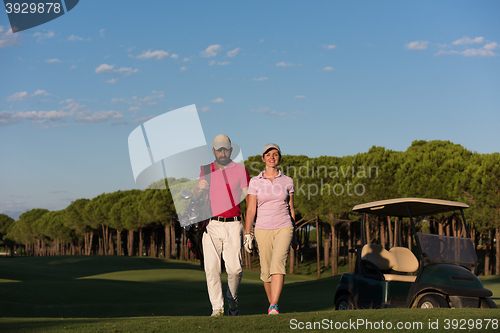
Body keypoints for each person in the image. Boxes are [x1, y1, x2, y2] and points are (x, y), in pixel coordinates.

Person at [194, 134, 250, 317]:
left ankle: (232, 300)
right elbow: (197, 197)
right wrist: (198, 190)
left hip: (234, 224)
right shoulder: (205, 170)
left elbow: (249, 199)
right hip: (211, 224)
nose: (222, 152)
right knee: (212, 269)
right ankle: (217, 308)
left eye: (225, 149)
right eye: (219, 149)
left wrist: (251, 227)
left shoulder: (240, 170)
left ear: (231, 150)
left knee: (235, 269)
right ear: (213, 151)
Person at [244, 143, 297, 315]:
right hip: (262, 228)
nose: (272, 157)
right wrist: (247, 233)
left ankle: (274, 305)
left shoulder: (288, 181)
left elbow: (291, 208)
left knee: (277, 265)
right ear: (263, 158)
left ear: (279, 157)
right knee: (266, 271)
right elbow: (251, 209)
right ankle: (272, 305)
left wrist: (294, 234)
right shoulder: (255, 181)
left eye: (275, 154)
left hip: (284, 226)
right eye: (268, 154)